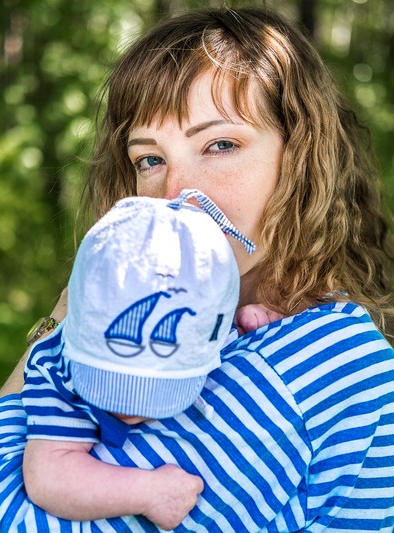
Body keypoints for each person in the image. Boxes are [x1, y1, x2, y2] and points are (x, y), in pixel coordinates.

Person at [0, 6, 394, 532]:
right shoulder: (212, 337)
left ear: (301, 157)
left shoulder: (302, 366)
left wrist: (65, 323)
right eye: (150, 159)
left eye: (221, 144)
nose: (177, 194)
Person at [23, 190, 270, 530]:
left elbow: (213, 329)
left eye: (159, 386)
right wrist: (148, 492)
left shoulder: (206, 320)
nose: (129, 408)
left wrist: (249, 321)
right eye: (110, 381)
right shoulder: (57, 368)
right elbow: (48, 476)